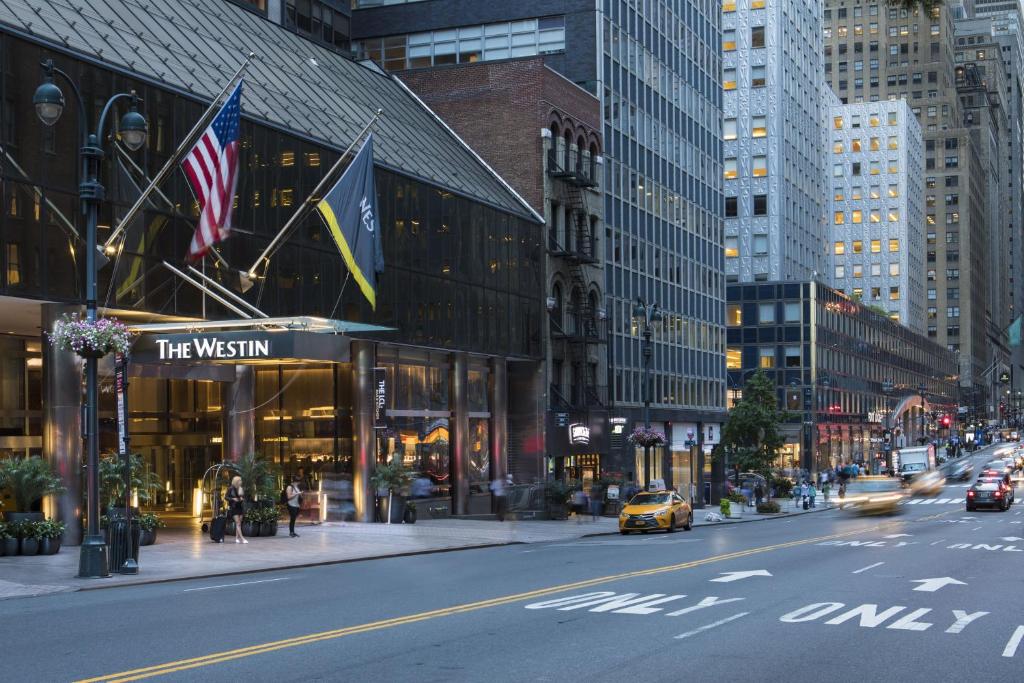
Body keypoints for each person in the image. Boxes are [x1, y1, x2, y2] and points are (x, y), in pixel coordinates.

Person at [226, 476, 247, 544]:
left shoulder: (240, 488)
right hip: (233, 507)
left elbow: (242, 497)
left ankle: (236, 538)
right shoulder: (230, 488)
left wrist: (242, 499)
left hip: (240, 507)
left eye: (241, 480)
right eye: (239, 481)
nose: (241, 482)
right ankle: (242, 538)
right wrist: (232, 499)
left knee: (239, 523)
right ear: (236, 481)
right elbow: (226, 497)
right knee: (238, 523)